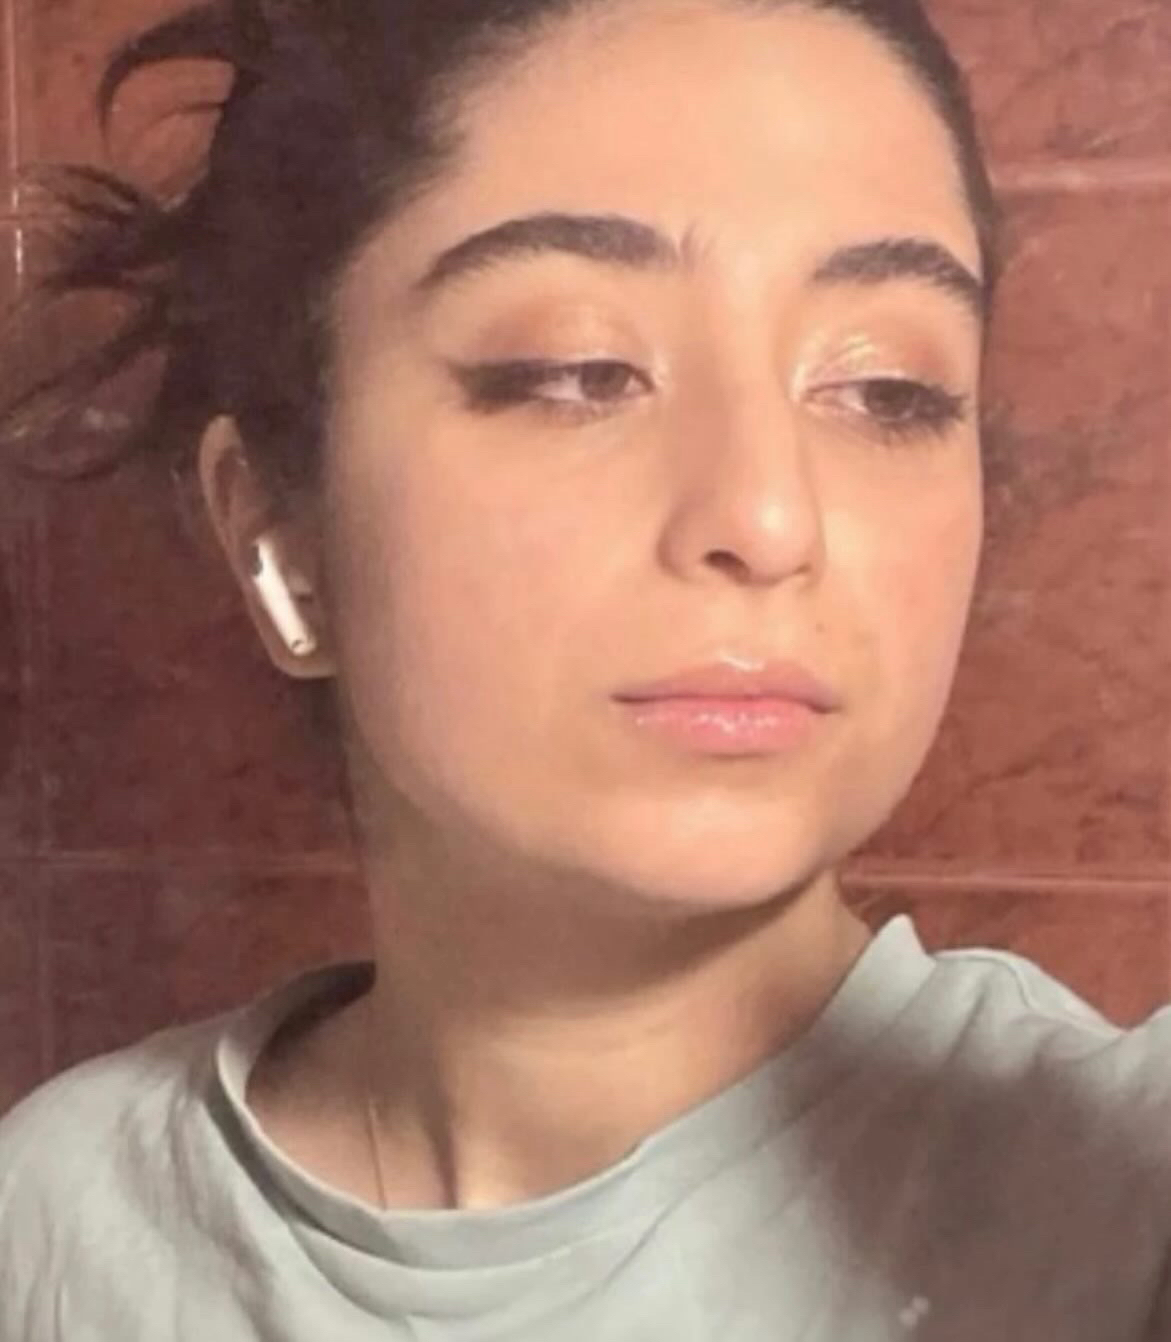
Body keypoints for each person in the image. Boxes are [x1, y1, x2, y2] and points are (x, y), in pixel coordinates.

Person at [0, 0, 1167, 1337]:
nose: (769, 515)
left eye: (889, 387)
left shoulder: (1117, 1206)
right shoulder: (60, 1228)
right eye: (579, 370)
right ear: (276, 525)